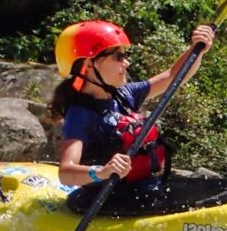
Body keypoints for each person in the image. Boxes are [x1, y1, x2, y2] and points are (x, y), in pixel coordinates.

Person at [48, 20, 214, 214]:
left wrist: (198, 48)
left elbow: (173, 76)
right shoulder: (80, 114)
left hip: (143, 189)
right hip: (111, 201)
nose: (126, 62)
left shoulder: (125, 94)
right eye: (118, 56)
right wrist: (101, 172)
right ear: (89, 64)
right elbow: (66, 173)